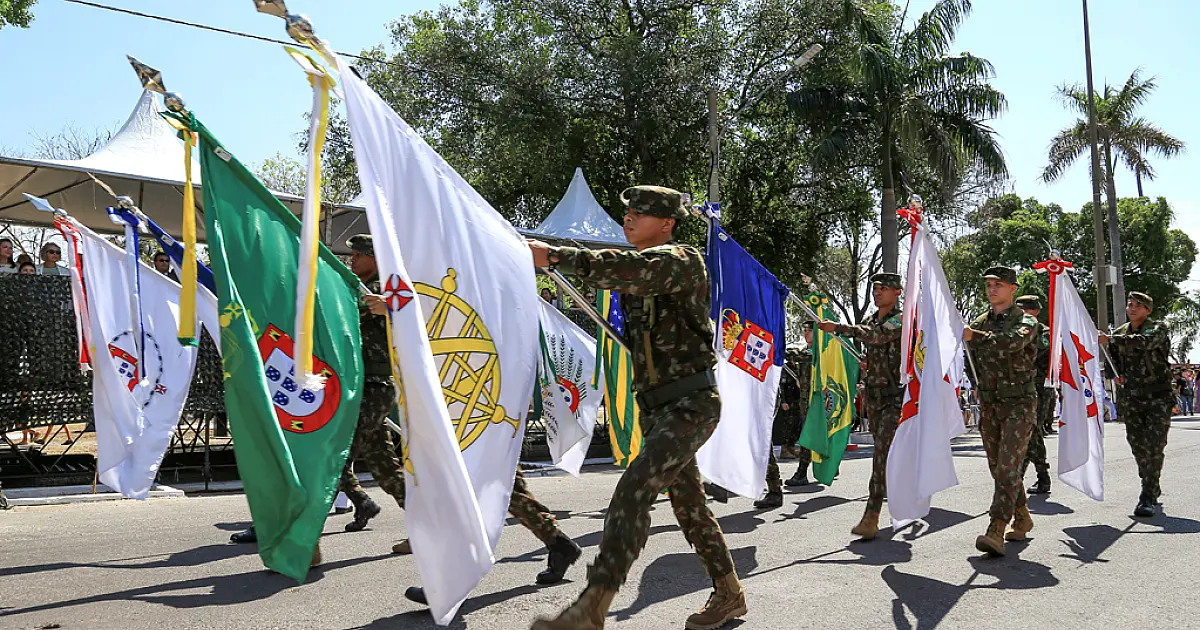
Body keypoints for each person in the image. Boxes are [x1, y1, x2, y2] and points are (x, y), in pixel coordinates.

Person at [527, 185, 743, 630]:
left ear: (667, 223)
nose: (628, 218)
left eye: (640, 212)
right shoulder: (637, 272)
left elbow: (630, 270)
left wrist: (554, 257)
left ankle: (593, 606)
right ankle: (730, 595)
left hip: (691, 403)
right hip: (658, 408)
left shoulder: (681, 260)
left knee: (632, 491)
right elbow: (624, 277)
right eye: (627, 211)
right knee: (690, 508)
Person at [818, 272, 903, 541]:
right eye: (875, 288)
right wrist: (867, 364)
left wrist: (840, 328)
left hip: (896, 398)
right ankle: (906, 494)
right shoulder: (870, 319)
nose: (877, 292)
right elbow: (872, 345)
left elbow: (877, 336)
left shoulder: (902, 319)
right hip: (874, 397)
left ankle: (872, 515)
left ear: (897, 292)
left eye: (884, 288)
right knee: (888, 454)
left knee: (880, 454)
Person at [338, 234, 413, 533]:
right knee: (385, 468)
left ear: (375, 258)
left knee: (335, 459)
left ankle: (298, 533)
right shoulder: (361, 288)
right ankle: (429, 524)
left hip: (374, 385)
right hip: (365, 386)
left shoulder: (382, 292)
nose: (352, 259)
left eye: (358, 254)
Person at [964, 266, 1039, 556]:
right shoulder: (980, 321)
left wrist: (976, 336)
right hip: (990, 402)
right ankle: (1022, 515)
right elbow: (971, 361)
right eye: (989, 284)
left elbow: (1012, 342)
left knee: (1008, 467)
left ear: (1013, 288)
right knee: (999, 468)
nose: (992, 289)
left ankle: (996, 528)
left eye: (999, 284)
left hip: (1019, 402)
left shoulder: (1027, 321)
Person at [1101, 292, 1173, 518]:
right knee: (1136, 444)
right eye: (1130, 305)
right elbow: (1110, 359)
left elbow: (1145, 343)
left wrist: (1110, 338)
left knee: (1154, 445)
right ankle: (1151, 479)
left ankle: (1147, 495)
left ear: (1147, 310)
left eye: (1138, 306)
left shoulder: (1157, 328)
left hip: (1157, 398)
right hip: (1131, 398)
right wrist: (1116, 375)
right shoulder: (1120, 332)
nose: (1132, 308)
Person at [756, 327, 814, 509]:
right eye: (803, 330)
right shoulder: (806, 351)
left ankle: (804, 471)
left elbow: (798, 356)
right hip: (804, 401)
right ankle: (801, 472)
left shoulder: (819, 353)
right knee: (806, 436)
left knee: (810, 436)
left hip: (816, 401)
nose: (805, 333)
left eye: (808, 330)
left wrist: (777, 348)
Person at [1015, 295, 1054, 496]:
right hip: (1021, 389)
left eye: (1023, 309)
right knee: (1028, 432)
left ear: (1035, 311)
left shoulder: (1043, 332)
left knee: (1032, 431)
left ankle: (1039, 476)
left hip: (1039, 388)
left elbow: (1040, 353)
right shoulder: (1017, 331)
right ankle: (1026, 477)